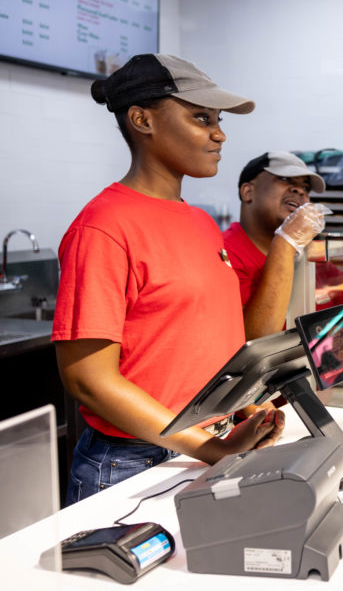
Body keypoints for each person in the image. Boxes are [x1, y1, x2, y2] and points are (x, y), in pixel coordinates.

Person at [53, 54, 285, 505]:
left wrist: (242, 409)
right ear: (142, 120)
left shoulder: (199, 222)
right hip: (135, 461)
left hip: (208, 446)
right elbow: (88, 379)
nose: (219, 134)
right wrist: (207, 447)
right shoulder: (103, 227)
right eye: (201, 118)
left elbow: (206, 343)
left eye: (219, 121)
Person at [223, 151, 328, 339]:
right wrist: (285, 242)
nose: (299, 191)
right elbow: (254, 341)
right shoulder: (225, 252)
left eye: (305, 187)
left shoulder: (308, 251)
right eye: (285, 179)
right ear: (248, 192)